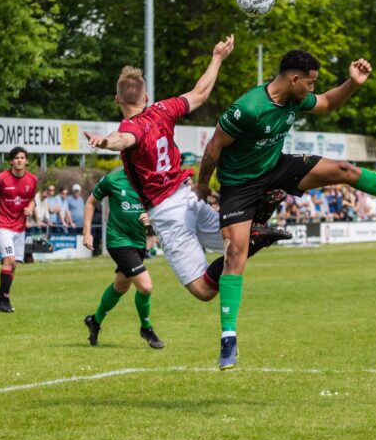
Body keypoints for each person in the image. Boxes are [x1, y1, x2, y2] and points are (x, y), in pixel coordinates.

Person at [195, 49, 376, 369]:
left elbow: (328, 103)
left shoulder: (295, 98)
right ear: (294, 78)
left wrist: (353, 82)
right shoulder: (248, 108)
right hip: (240, 186)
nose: (312, 89)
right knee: (236, 254)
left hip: (276, 167)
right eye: (311, 83)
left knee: (344, 169)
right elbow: (213, 147)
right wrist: (203, 183)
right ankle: (228, 340)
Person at [83, 35, 288, 311]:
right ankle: (256, 223)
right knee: (234, 247)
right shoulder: (162, 109)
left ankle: (256, 231)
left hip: (168, 213)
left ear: (117, 98)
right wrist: (217, 57)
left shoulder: (130, 128)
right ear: (145, 97)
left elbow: (123, 139)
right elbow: (200, 93)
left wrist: (106, 142)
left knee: (204, 290)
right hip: (189, 196)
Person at [82, 169, 165, 349]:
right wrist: (87, 232)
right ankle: (146, 328)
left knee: (121, 285)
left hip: (138, 242)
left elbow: (158, 207)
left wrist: (151, 217)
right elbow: (90, 202)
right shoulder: (112, 180)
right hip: (118, 241)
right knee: (145, 286)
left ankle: (94, 321)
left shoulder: (150, 180)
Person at [0, 147, 38, 313]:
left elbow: (33, 199)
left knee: (14, 265)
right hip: (3, 226)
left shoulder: (32, 179)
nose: (19, 160)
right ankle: (5, 299)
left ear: (26, 161)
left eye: (22, 157)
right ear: (11, 161)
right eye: (16, 158)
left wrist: (30, 208)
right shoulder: (1, 178)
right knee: (9, 261)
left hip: (20, 227)